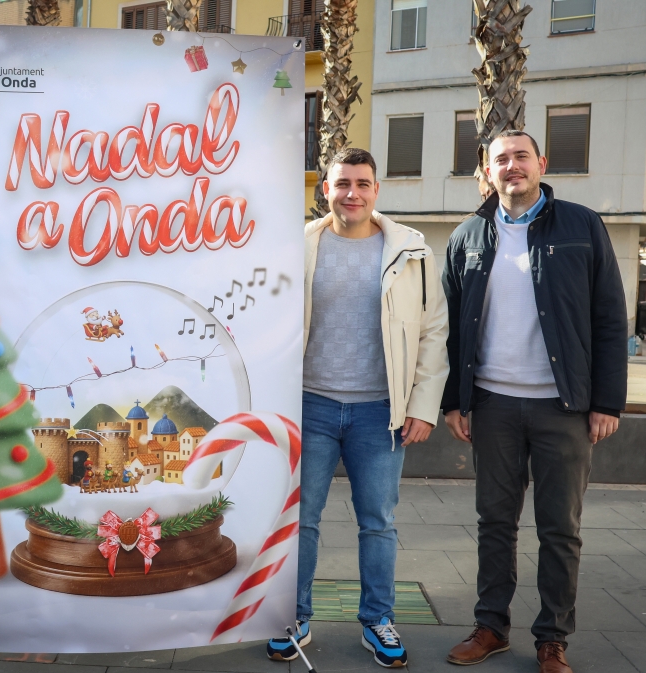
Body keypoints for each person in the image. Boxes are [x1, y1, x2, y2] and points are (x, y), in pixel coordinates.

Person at [440, 131, 627, 673]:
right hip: (493, 403)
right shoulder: (468, 236)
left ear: (541, 163)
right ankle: (491, 626)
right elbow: (451, 329)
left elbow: (610, 318)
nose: (512, 165)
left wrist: (607, 402)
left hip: (562, 406)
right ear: (487, 170)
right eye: (501, 159)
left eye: (522, 156)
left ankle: (552, 638)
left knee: (559, 528)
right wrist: (455, 401)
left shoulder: (582, 225)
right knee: (494, 521)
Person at [266, 147, 449, 668]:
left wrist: (423, 405)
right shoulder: (296, 245)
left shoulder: (410, 249)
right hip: (310, 406)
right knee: (301, 519)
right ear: (325, 189)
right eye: (342, 183)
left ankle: (376, 620)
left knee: (379, 521)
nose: (353, 193)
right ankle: (294, 614)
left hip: (380, 411)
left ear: (376, 190)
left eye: (363, 183)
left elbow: (434, 330)